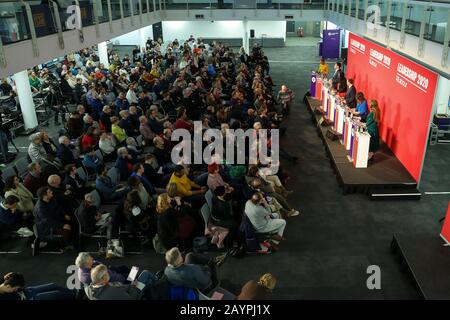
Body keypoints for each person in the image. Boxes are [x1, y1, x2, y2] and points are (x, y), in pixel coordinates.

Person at [85, 264, 156, 300]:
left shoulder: (88, 289)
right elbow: (131, 298)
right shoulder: (112, 291)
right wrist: (133, 285)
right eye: (107, 273)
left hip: (124, 285)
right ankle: (158, 281)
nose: (108, 274)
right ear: (103, 278)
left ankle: (151, 292)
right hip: (133, 291)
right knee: (145, 273)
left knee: (136, 271)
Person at [0, 272, 75, 300]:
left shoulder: (5, 284)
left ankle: (76, 292)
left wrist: (4, 277)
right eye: (15, 289)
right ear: (8, 287)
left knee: (53, 285)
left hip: (28, 291)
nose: (15, 290)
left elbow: (6, 281)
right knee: (57, 294)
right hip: (30, 298)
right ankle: (76, 295)